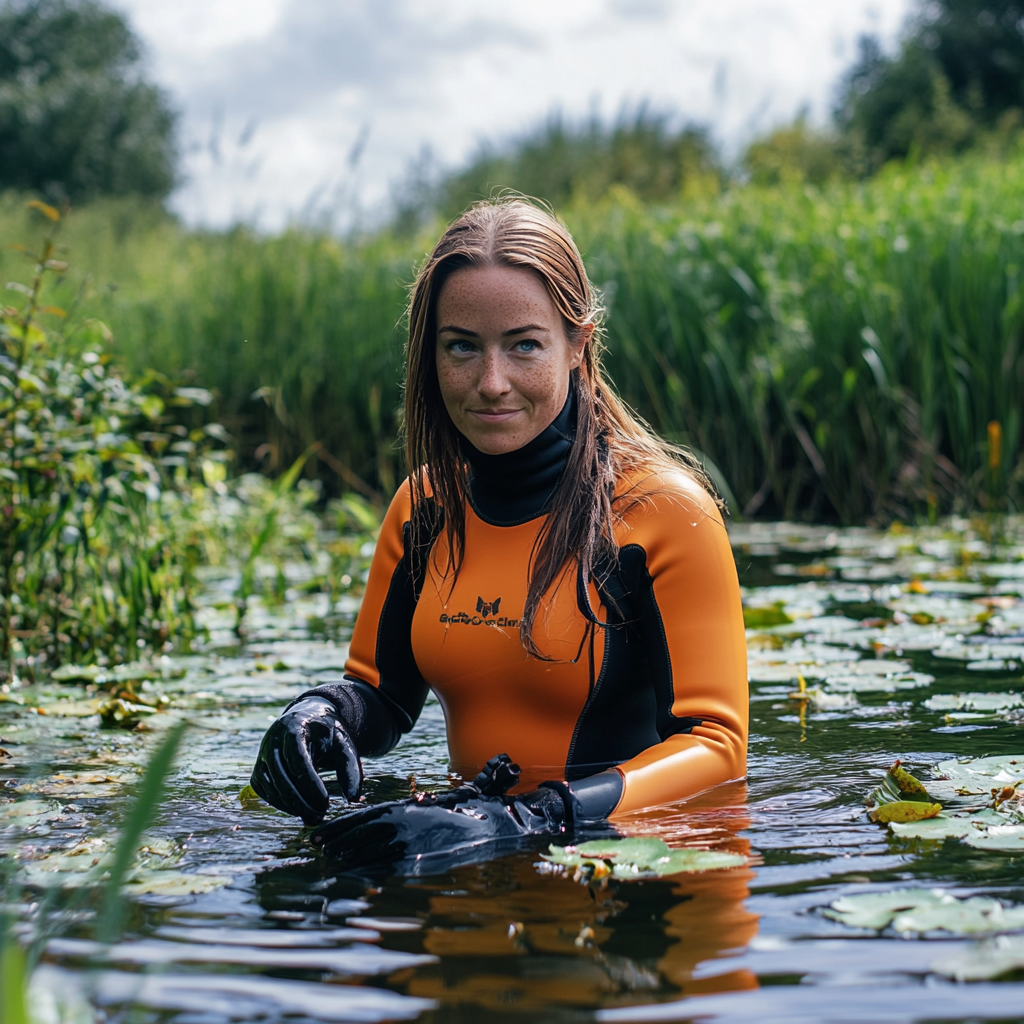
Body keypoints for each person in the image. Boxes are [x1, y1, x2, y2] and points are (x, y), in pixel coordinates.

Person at [250, 198, 748, 870]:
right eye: (462, 346)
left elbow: (717, 748)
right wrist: (319, 712)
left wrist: (536, 817)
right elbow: (384, 697)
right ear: (430, 354)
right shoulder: (422, 506)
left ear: (578, 345)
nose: (491, 384)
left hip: (619, 872)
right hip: (472, 846)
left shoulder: (664, 512)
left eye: (524, 345)